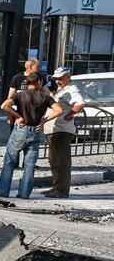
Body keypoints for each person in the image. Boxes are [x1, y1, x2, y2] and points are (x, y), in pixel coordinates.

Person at [0, 72, 65, 199]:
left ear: (27, 82)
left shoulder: (20, 95)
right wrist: (44, 120)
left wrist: (18, 116)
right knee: (30, 165)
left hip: (21, 128)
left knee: (9, 161)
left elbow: (4, 106)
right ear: (39, 82)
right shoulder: (45, 97)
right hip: (35, 130)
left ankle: (3, 191)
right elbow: (59, 110)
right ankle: (24, 193)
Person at [44, 67, 86, 198]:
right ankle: (56, 187)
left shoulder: (72, 90)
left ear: (68, 77)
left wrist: (70, 115)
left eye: (61, 78)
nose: (58, 81)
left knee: (61, 161)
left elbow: (80, 103)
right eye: (56, 79)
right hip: (54, 130)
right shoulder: (60, 90)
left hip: (62, 131)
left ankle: (61, 190)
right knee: (54, 160)